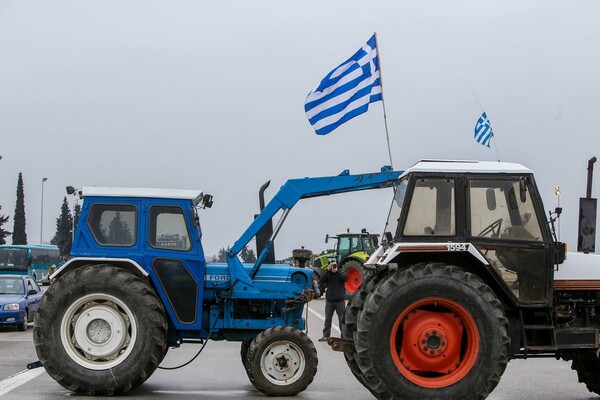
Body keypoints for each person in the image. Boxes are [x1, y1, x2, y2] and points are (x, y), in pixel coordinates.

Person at [318, 259, 347, 342]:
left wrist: (337, 271)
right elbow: (321, 280)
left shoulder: (340, 273)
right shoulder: (328, 274)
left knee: (342, 319)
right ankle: (326, 336)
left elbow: (345, 278)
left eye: (335, 265)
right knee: (327, 319)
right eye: (332, 265)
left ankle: (344, 337)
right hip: (330, 300)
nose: (334, 267)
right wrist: (327, 271)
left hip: (340, 300)